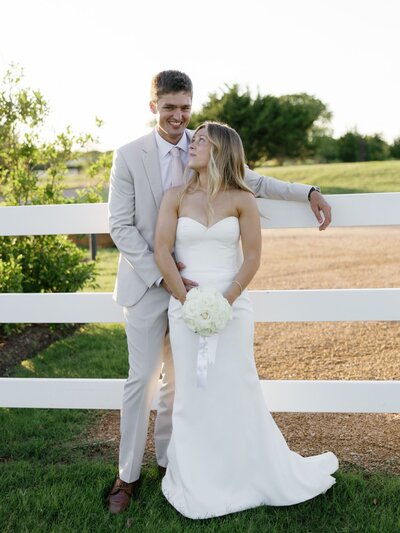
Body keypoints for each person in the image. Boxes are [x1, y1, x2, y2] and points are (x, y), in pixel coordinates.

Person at [107, 69, 332, 514]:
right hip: (150, 284)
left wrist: (306, 191)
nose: (178, 116)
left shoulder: (206, 142)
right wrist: (165, 276)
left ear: (191, 105)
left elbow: (254, 182)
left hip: (207, 290)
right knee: (142, 381)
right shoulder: (129, 155)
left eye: (184, 107)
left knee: (181, 385)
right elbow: (119, 225)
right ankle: (126, 477)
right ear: (154, 106)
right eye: (169, 107)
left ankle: (175, 465)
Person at [154, 121, 338, 519]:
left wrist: (226, 300)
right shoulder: (175, 196)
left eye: (201, 140)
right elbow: (162, 252)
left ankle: (246, 471)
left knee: (236, 386)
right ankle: (197, 475)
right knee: (193, 389)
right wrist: (189, 301)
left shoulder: (242, 198)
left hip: (233, 306)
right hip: (185, 306)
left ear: (219, 150)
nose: (192, 144)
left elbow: (253, 257)